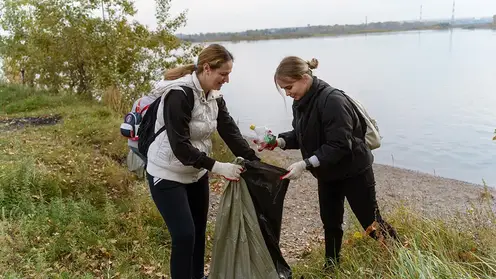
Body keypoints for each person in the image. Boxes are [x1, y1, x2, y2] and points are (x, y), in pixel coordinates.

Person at [257, 56, 398, 270]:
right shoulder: (301, 102)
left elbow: (340, 145)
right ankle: (331, 268)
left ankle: (401, 256)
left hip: (354, 171)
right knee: (330, 223)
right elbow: (302, 134)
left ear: (304, 78)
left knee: (371, 223)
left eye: (289, 87)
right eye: (284, 89)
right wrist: (278, 141)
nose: (287, 93)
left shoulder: (332, 100)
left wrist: (305, 164)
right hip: (327, 173)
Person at [146, 44, 260, 279]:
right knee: (184, 235)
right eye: (223, 74)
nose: (226, 80)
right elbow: (180, 147)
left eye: (229, 74)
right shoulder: (179, 94)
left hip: (195, 174)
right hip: (166, 173)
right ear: (207, 68)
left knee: (198, 232)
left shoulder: (214, 97)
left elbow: (230, 131)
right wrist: (219, 167)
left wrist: (255, 160)